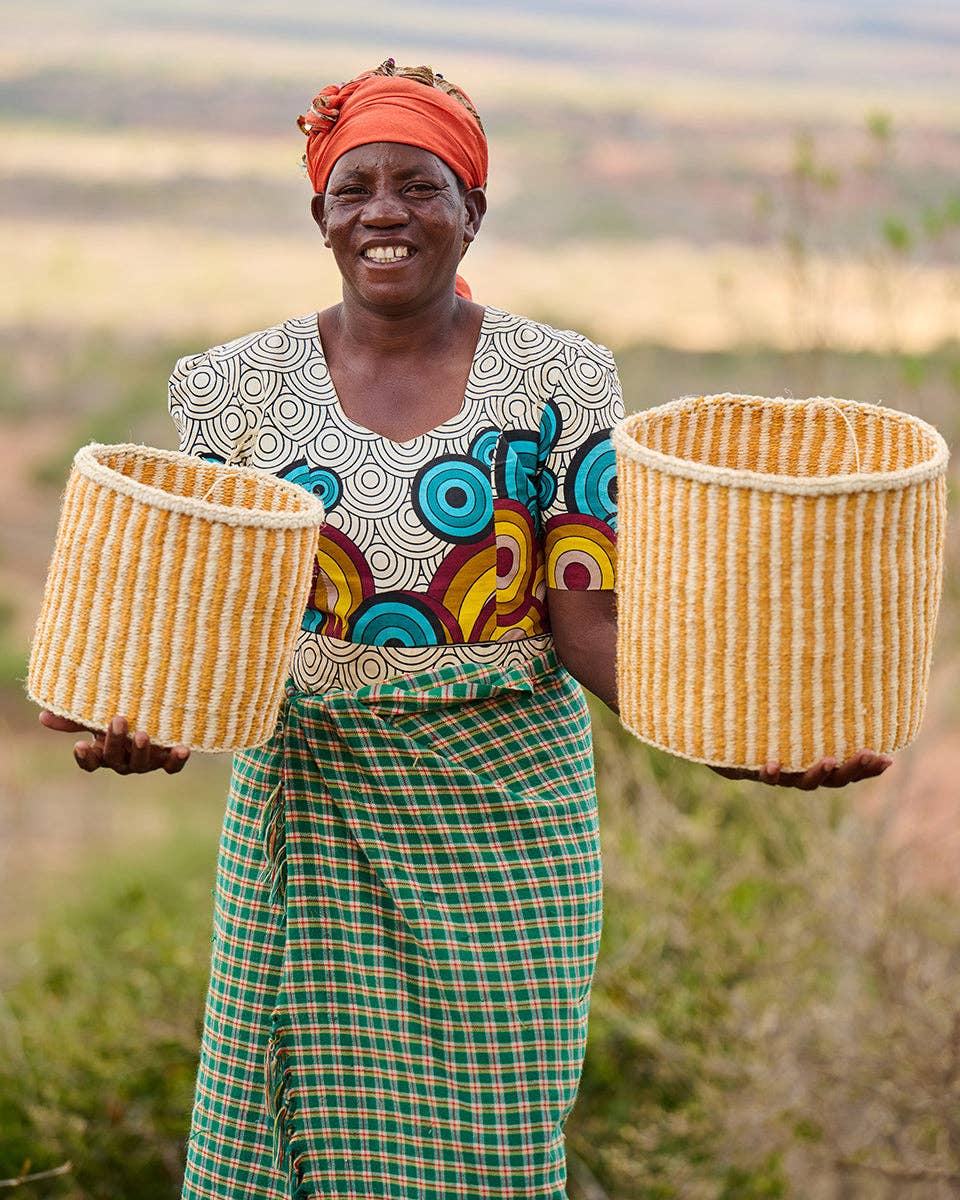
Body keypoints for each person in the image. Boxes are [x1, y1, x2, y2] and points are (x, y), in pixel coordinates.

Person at [39, 60, 891, 1199]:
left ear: (473, 211)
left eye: (420, 186)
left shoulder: (562, 378)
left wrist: (737, 739)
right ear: (319, 216)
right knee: (292, 1137)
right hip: (314, 810)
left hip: (510, 820)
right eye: (355, 190)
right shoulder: (235, 389)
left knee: (495, 1141)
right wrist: (144, 729)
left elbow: (586, 617)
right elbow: (200, 633)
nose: (384, 212)